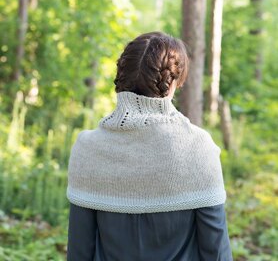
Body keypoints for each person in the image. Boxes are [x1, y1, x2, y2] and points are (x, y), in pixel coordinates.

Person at [66, 31, 233, 261]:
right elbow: (216, 253)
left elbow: (79, 252)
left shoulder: (88, 148)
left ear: (121, 75)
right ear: (172, 81)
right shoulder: (199, 147)